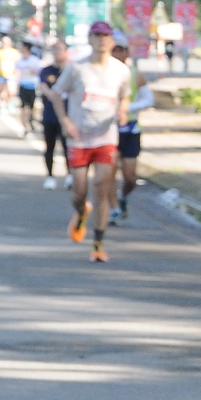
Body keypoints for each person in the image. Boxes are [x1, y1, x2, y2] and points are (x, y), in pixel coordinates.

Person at [40, 22, 130, 262]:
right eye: (97, 36)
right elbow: (57, 95)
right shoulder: (77, 69)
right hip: (79, 139)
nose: (101, 40)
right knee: (79, 191)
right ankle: (81, 211)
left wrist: (122, 111)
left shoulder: (121, 70)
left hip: (106, 137)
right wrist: (65, 122)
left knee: (102, 186)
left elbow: (125, 95)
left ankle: (98, 245)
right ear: (89, 39)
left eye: (106, 36)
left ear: (112, 41)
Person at [110, 42, 154, 223]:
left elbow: (149, 99)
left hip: (130, 129)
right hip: (109, 129)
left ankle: (123, 197)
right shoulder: (102, 73)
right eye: (115, 50)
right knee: (108, 172)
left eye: (122, 50)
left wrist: (126, 108)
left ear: (128, 52)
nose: (119, 53)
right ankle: (113, 208)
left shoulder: (136, 75)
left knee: (130, 177)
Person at [37, 43, 68, 188]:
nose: (57, 53)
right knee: (50, 147)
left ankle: (70, 176)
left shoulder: (70, 71)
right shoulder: (46, 71)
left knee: (68, 146)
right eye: (55, 50)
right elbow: (45, 89)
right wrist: (54, 95)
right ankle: (49, 176)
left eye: (60, 50)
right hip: (50, 115)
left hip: (68, 116)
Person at [16, 42, 44, 134]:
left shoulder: (34, 60)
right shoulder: (19, 61)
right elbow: (16, 72)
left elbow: (40, 73)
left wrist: (33, 71)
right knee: (23, 107)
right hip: (22, 86)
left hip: (32, 86)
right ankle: (25, 127)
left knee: (32, 107)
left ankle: (31, 121)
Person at [0, 34, 21, 112]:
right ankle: (2, 105)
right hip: (1, 74)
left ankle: (9, 102)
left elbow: (18, 65)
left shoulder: (14, 52)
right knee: (2, 91)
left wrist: (18, 75)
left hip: (11, 74)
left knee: (11, 90)